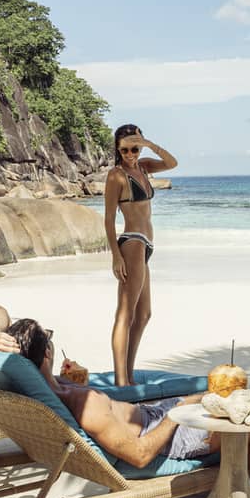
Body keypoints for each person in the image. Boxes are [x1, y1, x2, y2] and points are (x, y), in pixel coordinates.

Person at [0, 311, 250, 498]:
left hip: (154, 415)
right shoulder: (84, 404)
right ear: (47, 352)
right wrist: (179, 409)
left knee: (232, 397)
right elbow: (139, 456)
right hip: (168, 435)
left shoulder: (46, 385)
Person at [103, 124, 177, 386]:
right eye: (125, 149)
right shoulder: (117, 176)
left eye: (135, 148)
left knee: (144, 314)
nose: (130, 154)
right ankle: (122, 381)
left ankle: (129, 375)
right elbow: (110, 218)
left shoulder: (144, 166)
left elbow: (172, 163)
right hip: (132, 242)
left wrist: (149, 145)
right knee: (125, 313)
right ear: (118, 149)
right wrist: (115, 256)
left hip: (146, 246)